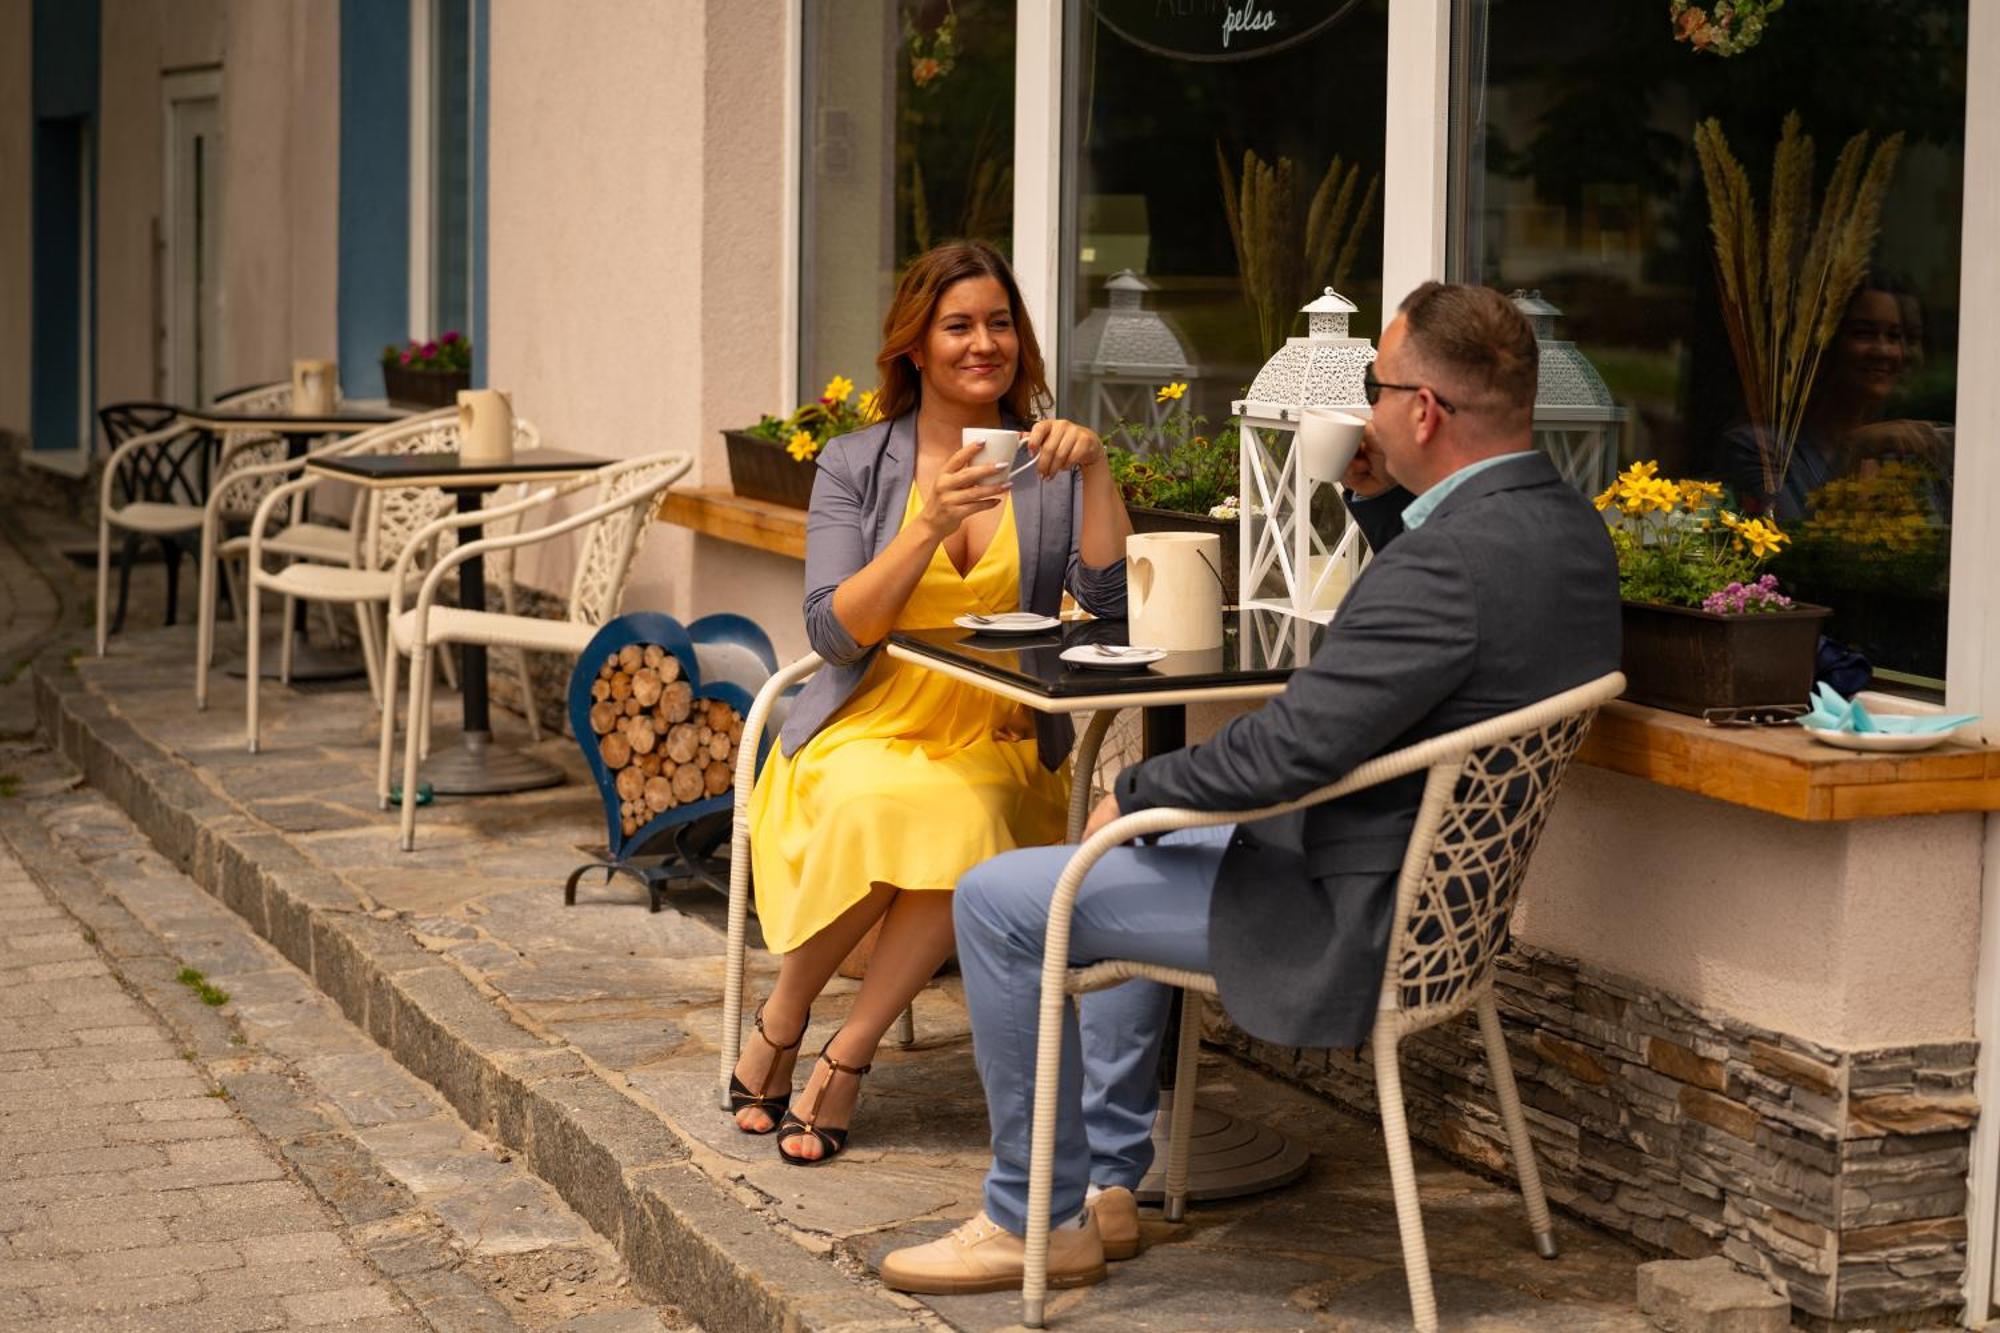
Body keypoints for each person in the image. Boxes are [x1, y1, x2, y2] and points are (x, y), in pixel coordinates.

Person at [878, 281, 1622, 1294]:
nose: (1363, 407)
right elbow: (1452, 630)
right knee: (1124, 861)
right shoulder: (1566, 531)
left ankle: (1030, 1219)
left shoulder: (1445, 568)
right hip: (1447, 909)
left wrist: (1135, 786)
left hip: (1343, 911)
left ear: (1423, 412)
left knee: (1006, 899)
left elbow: (1288, 753)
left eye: (1375, 386)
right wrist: (1370, 501)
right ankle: (1106, 1183)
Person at [730, 240, 1133, 1166]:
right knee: (885, 801)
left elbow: (1110, 607)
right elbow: (834, 633)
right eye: (958, 325)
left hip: (995, 726)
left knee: (970, 810)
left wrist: (1098, 469)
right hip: (868, 717)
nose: (981, 343)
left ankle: (842, 1046)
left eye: (999, 323)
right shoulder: (854, 464)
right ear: (917, 344)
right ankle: (791, 1016)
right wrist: (927, 524)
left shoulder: (1046, 463)